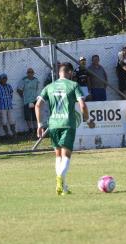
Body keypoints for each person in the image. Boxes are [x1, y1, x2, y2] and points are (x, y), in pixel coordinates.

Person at [35, 62, 94, 196]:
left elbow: (37, 105)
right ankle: (60, 179)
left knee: (58, 156)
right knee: (66, 155)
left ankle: (63, 188)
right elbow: (83, 105)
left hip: (53, 125)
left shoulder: (49, 87)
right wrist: (88, 119)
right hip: (67, 124)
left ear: (59, 73)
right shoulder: (73, 85)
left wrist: (39, 124)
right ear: (70, 72)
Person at [17, 68, 40, 136]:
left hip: (34, 100)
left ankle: (36, 129)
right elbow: (19, 90)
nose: (30, 73)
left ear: (33, 73)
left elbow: (36, 89)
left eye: (31, 72)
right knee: (27, 116)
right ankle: (30, 129)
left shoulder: (36, 80)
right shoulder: (24, 80)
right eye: (29, 72)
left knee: (35, 115)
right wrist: (23, 97)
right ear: (27, 73)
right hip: (27, 101)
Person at [0, 73, 16, 138]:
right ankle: (7, 134)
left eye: (5, 78)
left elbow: (11, 94)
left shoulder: (9, 86)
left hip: (9, 106)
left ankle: (14, 133)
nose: (4, 80)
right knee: (4, 121)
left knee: (11, 120)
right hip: (2, 107)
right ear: (0, 79)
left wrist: (9, 101)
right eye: (3, 78)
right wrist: (0, 103)